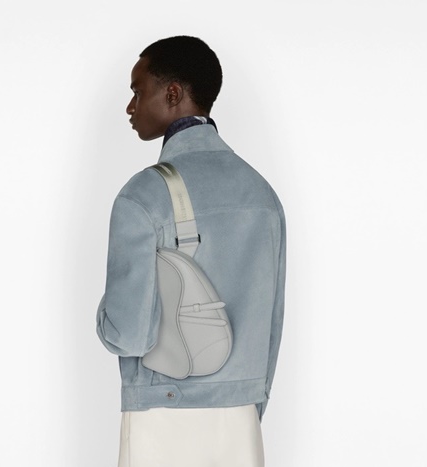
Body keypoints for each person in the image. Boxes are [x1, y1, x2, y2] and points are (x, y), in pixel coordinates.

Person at [96, 35, 286, 467]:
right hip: (240, 417)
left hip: (161, 418)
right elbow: (271, 327)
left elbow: (128, 334)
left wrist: (103, 316)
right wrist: (245, 402)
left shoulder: (143, 195)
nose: (130, 106)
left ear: (172, 93)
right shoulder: (262, 194)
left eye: (137, 91)